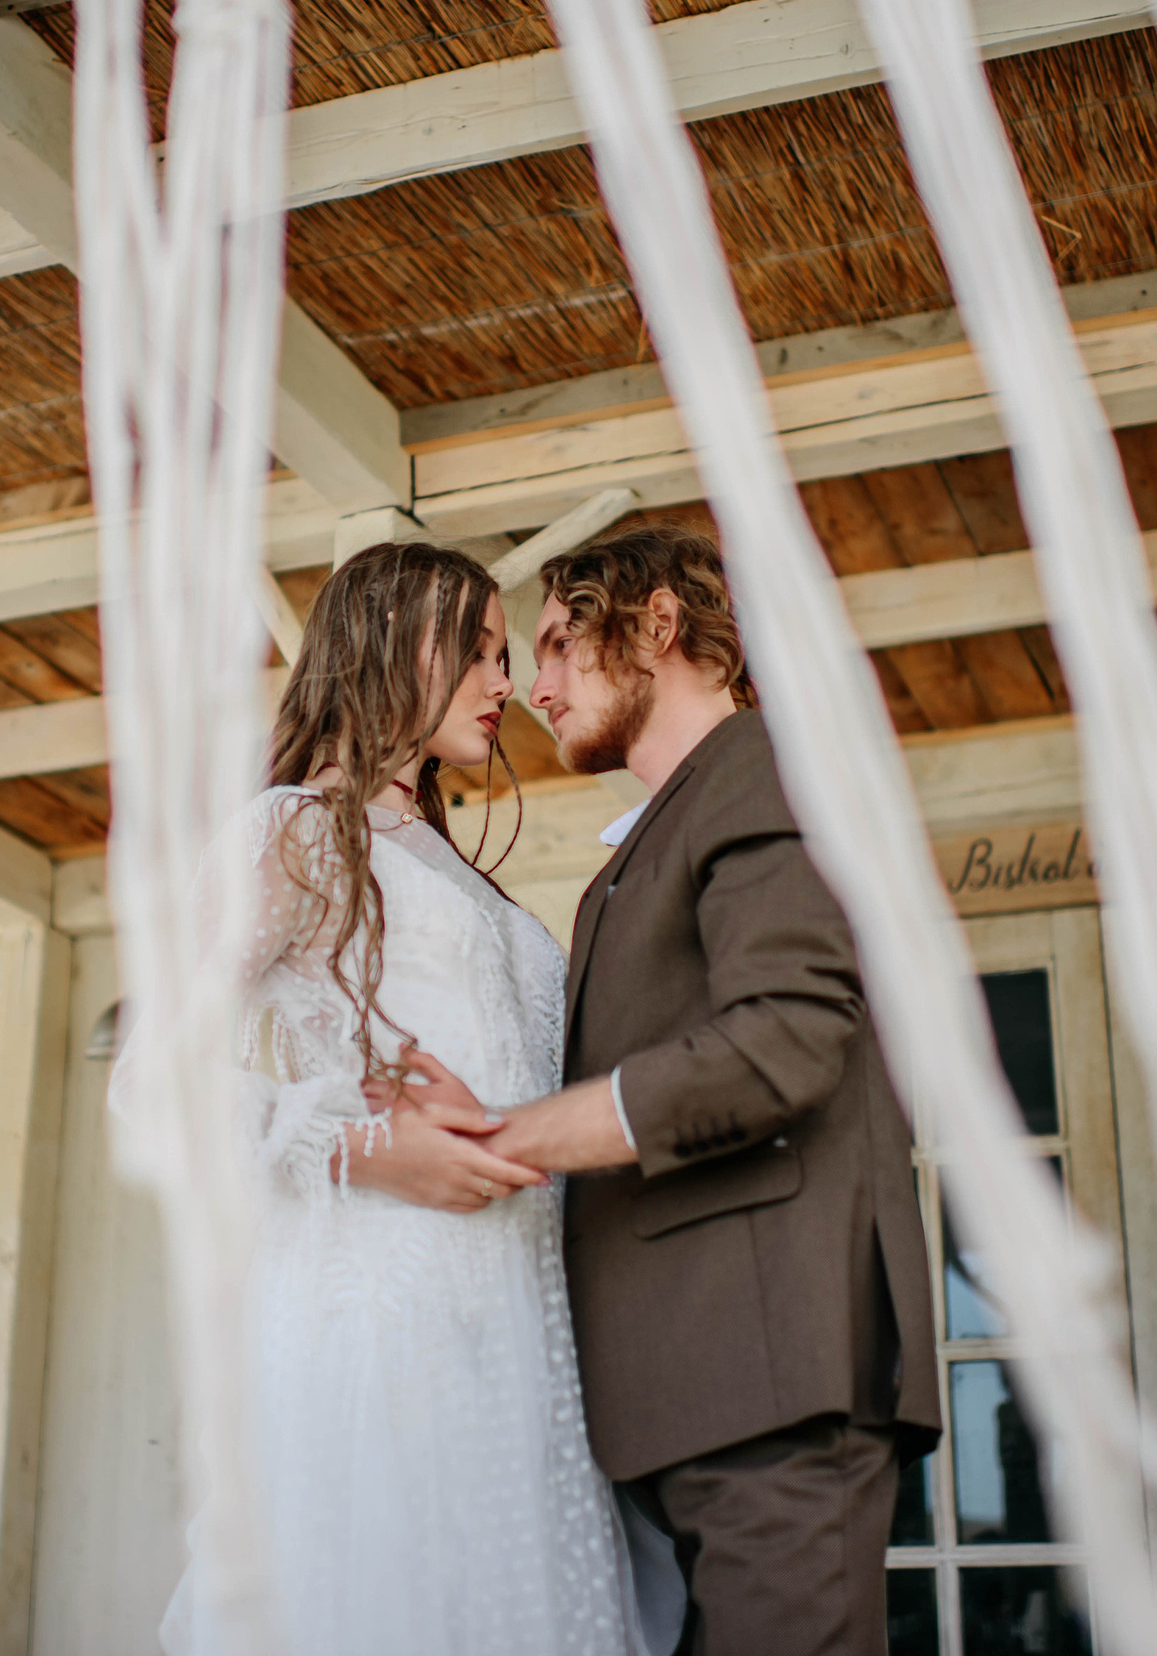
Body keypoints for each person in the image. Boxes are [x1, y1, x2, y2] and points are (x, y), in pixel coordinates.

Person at [422, 525, 941, 1654]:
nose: (534, 686)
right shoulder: (646, 844)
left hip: (775, 1382)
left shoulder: (772, 764)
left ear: (658, 624)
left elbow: (788, 1035)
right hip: (689, 1400)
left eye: (559, 642)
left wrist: (521, 1132)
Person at [147, 540, 643, 1656]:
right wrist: (355, 1147)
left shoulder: (461, 870)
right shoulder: (294, 829)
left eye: (503, 654)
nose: (504, 682)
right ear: (379, 643)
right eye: (473, 651)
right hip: (380, 1307)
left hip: (521, 1321)